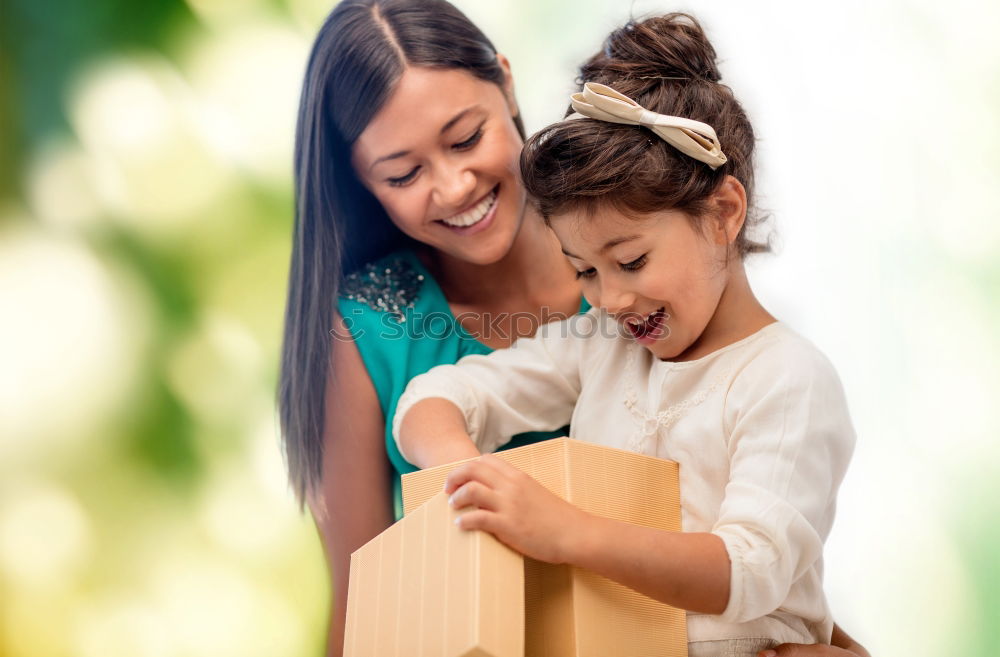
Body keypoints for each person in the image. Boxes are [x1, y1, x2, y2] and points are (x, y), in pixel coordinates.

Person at [277, 1, 870, 655]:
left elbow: (757, 565)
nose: (452, 186)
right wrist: (473, 478)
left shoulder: (658, 314)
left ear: (504, 83)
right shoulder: (595, 340)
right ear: (363, 182)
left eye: (465, 138)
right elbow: (364, 613)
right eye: (404, 172)